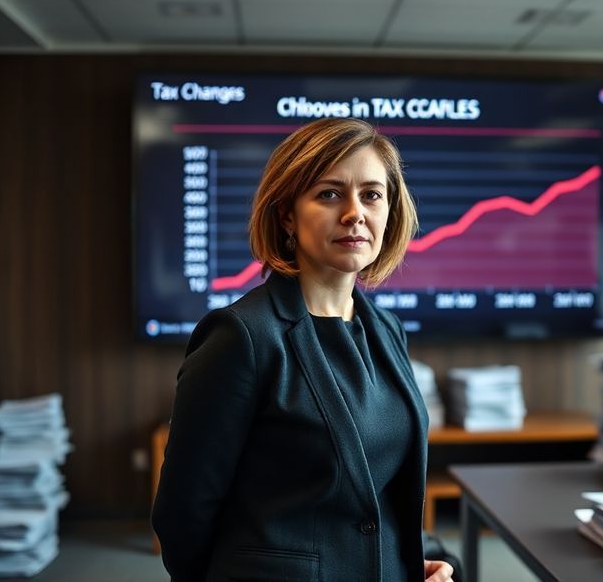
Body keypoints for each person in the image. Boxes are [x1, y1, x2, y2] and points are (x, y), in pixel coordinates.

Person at [152, 117, 454, 582]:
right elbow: (182, 515)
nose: (355, 213)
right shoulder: (241, 336)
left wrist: (409, 562)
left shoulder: (387, 330)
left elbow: (380, 496)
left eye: (372, 194)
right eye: (330, 194)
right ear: (287, 215)